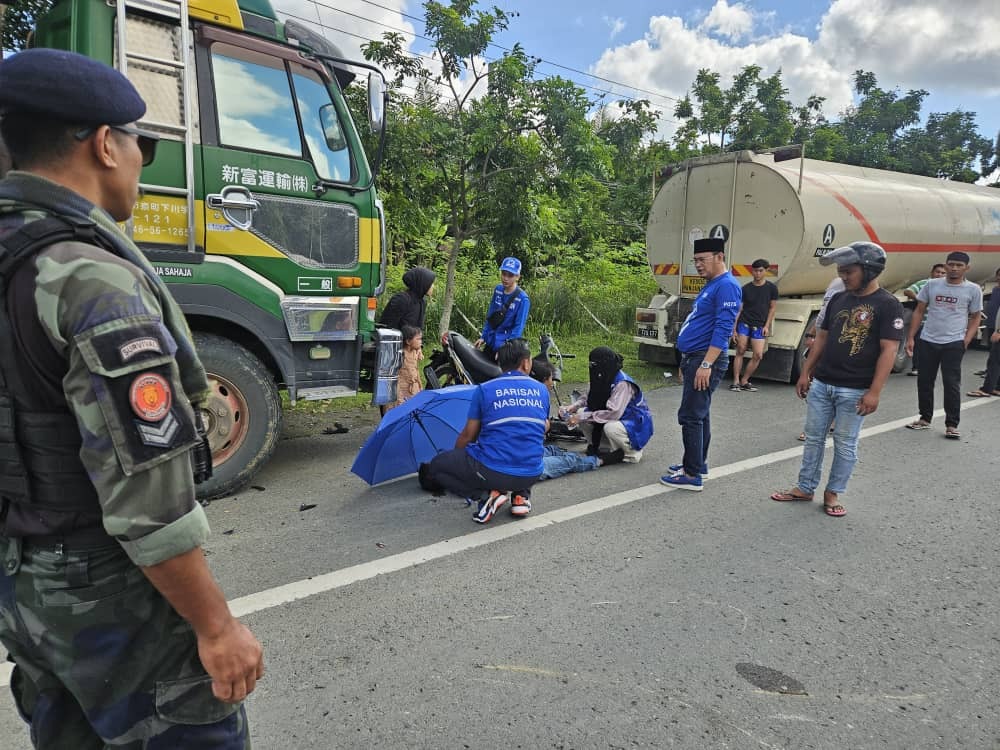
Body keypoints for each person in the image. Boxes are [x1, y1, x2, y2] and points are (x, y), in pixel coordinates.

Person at [0, 49, 262, 746]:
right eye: (140, 143)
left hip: (23, 583)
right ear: (103, 144)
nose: (143, 160)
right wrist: (217, 627)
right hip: (106, 590)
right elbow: (147, 500)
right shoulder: (88, 277)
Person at [770, 242, 904, 517]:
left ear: (868, 270)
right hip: (822, 384)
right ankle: (805, 487)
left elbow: (889, 349)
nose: (843, 276)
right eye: (841, 271)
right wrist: (806, 372)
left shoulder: (887, 304)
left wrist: (874, 392)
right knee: (814, 439)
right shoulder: (839, 299)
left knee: (845, 443)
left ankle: (832, 493)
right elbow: (821, 338)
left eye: (848, 271)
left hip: (855, 390)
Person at [418, 338, 548, 523]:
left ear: (499, 362)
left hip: (493, 471)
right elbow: (539, 429)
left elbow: (468, 436)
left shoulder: (485, 389)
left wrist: (457, 459)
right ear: (526, 363)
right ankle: (521, 497)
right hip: (532, 472)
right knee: (522, 441)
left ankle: (487, 494)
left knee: (438, 466)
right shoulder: (541, 390)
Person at [661, 237, 741, 491]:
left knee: (690, 416)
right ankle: (698, 463)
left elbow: (723, 328)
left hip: (705, 358)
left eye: (702, 259)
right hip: (694, 357)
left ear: (719, 257)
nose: (697, 265)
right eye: (695, 260)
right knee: (701, 413)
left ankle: (692, 473)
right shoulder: (712, 284)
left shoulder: (727, 286)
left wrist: (706, 364)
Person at [904, 251, 983, 438]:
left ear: (966, 268)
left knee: (951, 383)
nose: (954, 268)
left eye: (959, 265)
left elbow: (976, 316)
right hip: (928, 340)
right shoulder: (932, 285)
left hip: (954, 343)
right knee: (925, 381)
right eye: (951, 264)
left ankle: (952, 424)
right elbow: (919, 311)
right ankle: (924, 418)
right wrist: (911, 337)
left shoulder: (973, 289)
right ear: (946, 265)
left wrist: (966, 339)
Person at [530, 361, 624, 480]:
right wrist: (549, 424)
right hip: (522, 466)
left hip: (514, 453)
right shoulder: (540, 396)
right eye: (550, 379)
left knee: (551, 450)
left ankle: (583, 454)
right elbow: (539, 429)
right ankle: (599, 461)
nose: (552, 383)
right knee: (568, 462)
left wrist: (571, 409)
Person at [560, 347, 653, 464]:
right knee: (580, 413)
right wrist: (573, 407)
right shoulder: (601, 376)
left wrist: (581, 417)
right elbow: (589, 396)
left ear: (604, 364)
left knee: (610, 427)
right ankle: (603, 448)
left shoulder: (622, 383)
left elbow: (613, 413)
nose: (592, 367)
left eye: (594, 364)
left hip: (635, 423)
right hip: (618, 418)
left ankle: (631, 452)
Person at [730, 258, 778, 392]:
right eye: (755, 271)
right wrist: (733, 329)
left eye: (760, 271)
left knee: (758, 354)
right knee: (740, 350)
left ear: (766, 271)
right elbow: (739, 309)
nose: (757, 273)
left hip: (760, 325)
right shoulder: (745, 288)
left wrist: (767, 325)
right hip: (744, 323)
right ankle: (735, 381)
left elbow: (772, 308)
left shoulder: (772, 288)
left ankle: (745, 380)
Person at [476, 256, 529, 358]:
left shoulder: (523, 299)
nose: (506, 278)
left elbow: (518, 327)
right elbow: (491, 316)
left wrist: (506, 350)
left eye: (510, 275)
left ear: (517, 277)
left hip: (505, 345)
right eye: (504, 273)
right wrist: (483, 337)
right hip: (491, 340)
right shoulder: (498, 290)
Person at [902, 263, 947, 376]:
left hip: (938, 322)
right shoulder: (924, 283)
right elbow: (908, 291)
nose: (940, 274)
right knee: (919, 345)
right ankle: (916, 367)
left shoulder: (948, 286)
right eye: (937, 272)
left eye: (943, 273)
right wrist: (920, 299)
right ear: (932, 272)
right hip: (922, 321)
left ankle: (929, 367)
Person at [378, 265, 435, 331]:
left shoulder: (422, 302)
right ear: (422, 283)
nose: (433, 286)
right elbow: (386, 328)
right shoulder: (401, 300)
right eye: (431, 283)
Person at [393, 324, 424, 407]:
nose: (420, 341)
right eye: (418, 339)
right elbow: (396, 377)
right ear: (408, 341)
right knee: (400, 410)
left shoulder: (415, 352)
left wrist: (420, 388)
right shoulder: (401, 355)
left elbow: (416, 372)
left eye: (421, 339)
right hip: (401, 390)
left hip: (414, 389)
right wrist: (399, 398)